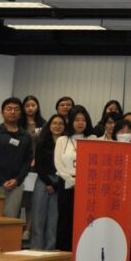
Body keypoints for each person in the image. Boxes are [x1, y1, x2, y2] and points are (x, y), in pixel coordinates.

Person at [0, 97, 32, 218]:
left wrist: (17, 180)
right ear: (2, 112)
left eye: (16, 109)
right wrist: (2, 180)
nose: (12, 112)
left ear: (20, 113)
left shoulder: (25, 136)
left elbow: (28, 161)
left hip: (15, 185)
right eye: (9, 109)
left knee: (9, 221)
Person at [54, 105, 95, 251]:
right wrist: (72, 181)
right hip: (66, 183)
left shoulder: (92, 139)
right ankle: (63, 252)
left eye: (83, 120)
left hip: (88, 185)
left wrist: (83, 182)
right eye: (77, 119)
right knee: (65, 219)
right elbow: (58, 164)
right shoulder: (62, 140)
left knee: (85, 220)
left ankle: (83, 252)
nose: (80, 123)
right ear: (71, 121)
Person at [30, 113, 64, 250]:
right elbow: (37, 165)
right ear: (49, 126)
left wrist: (55, 185)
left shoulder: (67, 144)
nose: (57, 126)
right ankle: (36, 248)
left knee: (53, 219)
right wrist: (48, 182)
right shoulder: (42, 141)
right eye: (54, 123)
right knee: (38, 217)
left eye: (61, 124)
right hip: (43, 180)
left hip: (59, 182)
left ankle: (50, 249)